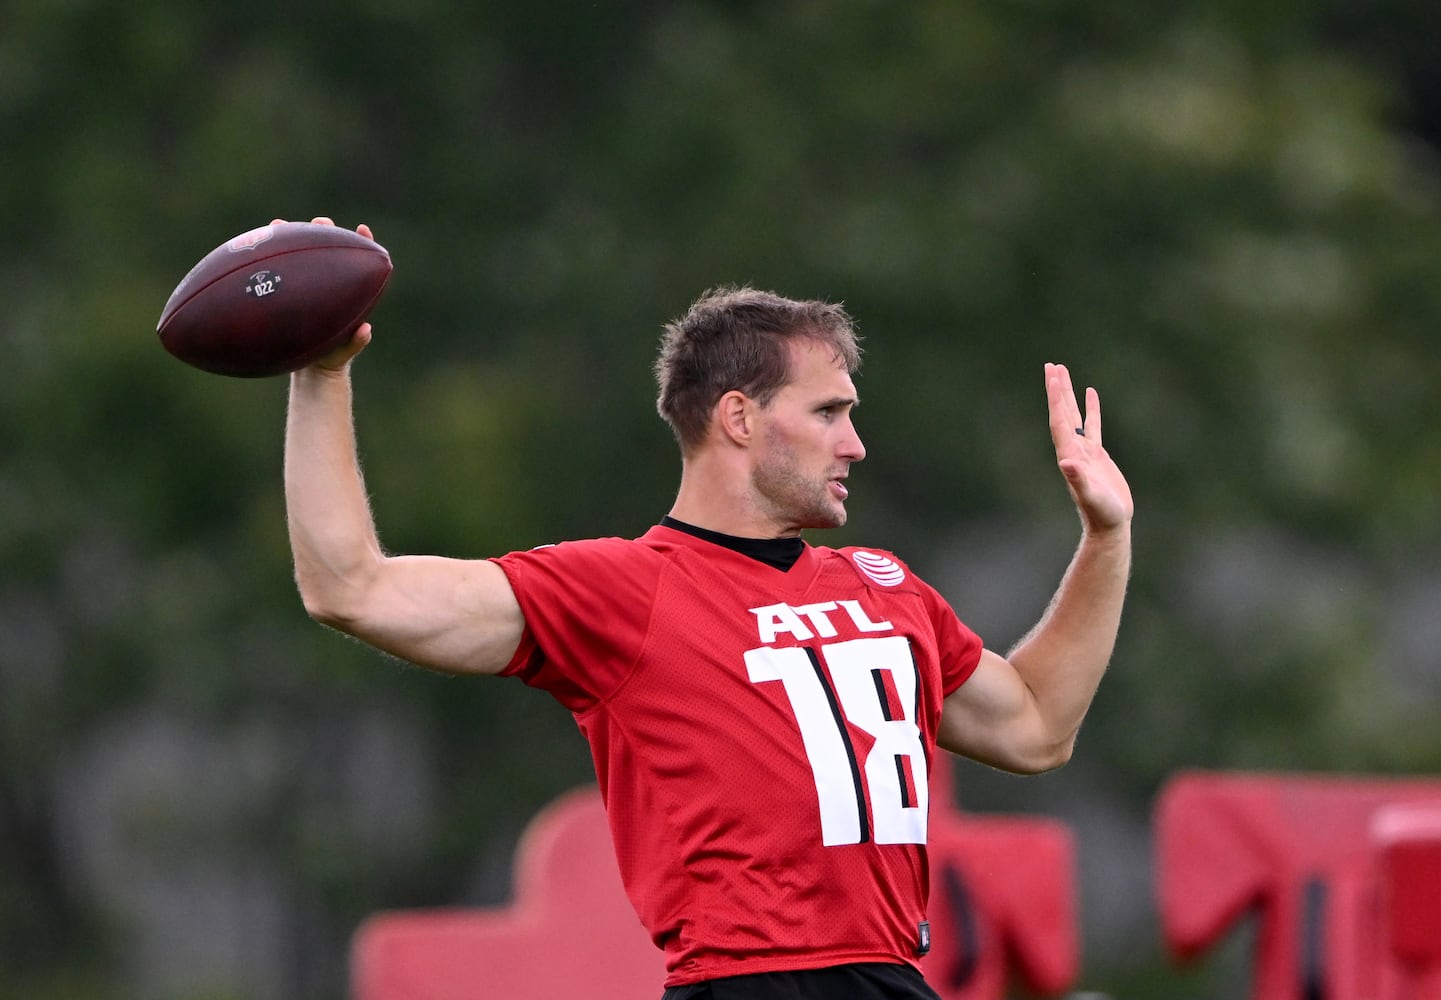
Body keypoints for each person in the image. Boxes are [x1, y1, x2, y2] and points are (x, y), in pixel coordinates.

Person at [282, 217, 1133, 1000]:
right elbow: (352, 588)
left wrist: (1106, 536)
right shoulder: (619, 589)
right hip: (744, 984)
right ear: (738, 418)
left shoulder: (884, 589)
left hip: (892, 982)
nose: (855, 443)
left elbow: (1035, 727)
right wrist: (322, 373)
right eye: (828, 413)